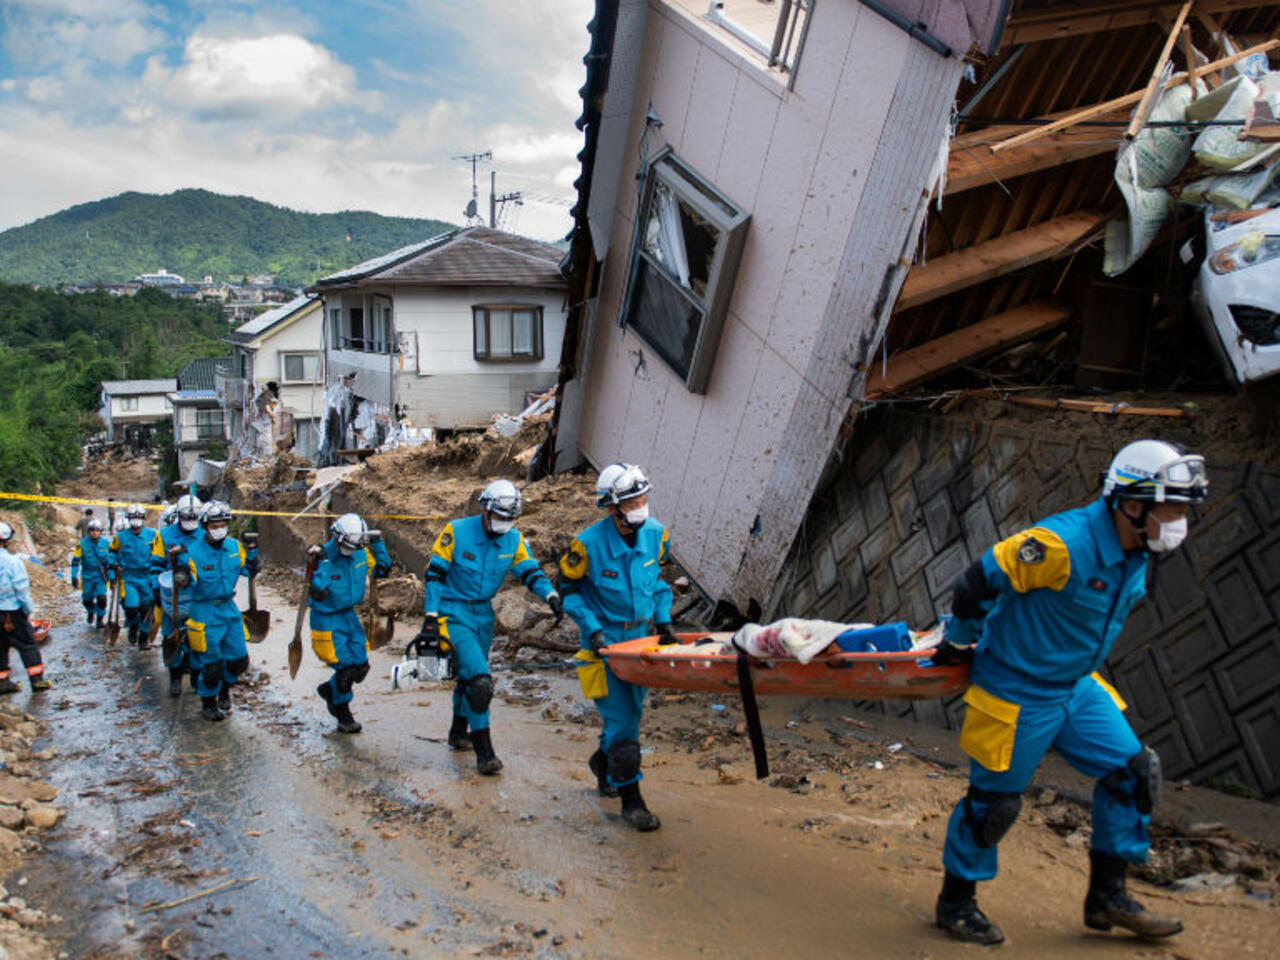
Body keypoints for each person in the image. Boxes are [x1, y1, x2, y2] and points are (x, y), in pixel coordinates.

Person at [931, 440, 1208, 945]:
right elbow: (975, 583)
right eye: (1172, 508)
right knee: (993, 805)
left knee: (1133, 773)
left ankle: (1107, 899)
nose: (1179, 521)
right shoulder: (1060, 545)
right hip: (1015, 688)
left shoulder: (1136, 549)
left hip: (1075, 687)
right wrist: (958, 640)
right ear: (1131, 504)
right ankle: (956, 903)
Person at [411, 479, 562, 774]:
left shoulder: (514, 539)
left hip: (483, 614)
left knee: (467, 678)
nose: (504, 523)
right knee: (481, 682)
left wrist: (551, 596)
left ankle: (458, 733)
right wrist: (430, 616)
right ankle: (485, 752)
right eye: (500, 516)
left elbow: (530, 571)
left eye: (510, 518)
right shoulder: (456, 532)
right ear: (485, 509)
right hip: (453, 612)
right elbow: (436, 575)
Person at [557, 463, 675, 831]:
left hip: (642, 641)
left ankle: (602, 763)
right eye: (633, 502)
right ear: (612, 507)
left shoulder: (657, 535)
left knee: (631, 714)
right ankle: (632, 803)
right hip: (602, 646)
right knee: (624, 724)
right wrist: (592, 630)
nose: (641, 506)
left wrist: (664, 621)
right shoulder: (587, 544)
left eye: (643, 498)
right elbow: (568, 591)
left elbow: (658, 583)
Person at [307, 513, 392, 734]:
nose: (351, 550)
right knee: (346, 670)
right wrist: (323, 561)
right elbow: (317, 590)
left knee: (360, 668)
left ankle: (329, 689)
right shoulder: (322, 557)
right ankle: (343, 713)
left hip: (349, 616)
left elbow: (382, 569)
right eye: (347, 546)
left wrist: (377, 544)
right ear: (337, 538)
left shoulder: (359, 553)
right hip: (326, 618)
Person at [177, 501, 258, 722]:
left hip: (229, 608)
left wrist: (253, 553)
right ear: (204, 526)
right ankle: (208, 702)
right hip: (204, 611)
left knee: (239, 660)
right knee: (211, 664)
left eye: (223, 525)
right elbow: (187, 578)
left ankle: (224, 687)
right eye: (215, 525)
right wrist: (182, 574)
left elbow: (248, 570)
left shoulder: (234, 547)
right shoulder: (191, 551)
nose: (219, 529)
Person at [151, 495, 203, 696]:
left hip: (196, 595)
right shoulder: (164, 535)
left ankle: (196, 674)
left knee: (196, 637)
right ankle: (175, 675)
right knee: (171, 635)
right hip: (171, 594)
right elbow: (155, 564)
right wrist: (155, 590)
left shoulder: (205, 535)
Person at [0, 521, 50, 692]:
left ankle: (2, 682)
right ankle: (36, 680)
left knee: (0, 646)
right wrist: (27, 609)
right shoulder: (12, 561)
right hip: (12, 611)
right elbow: (21, 589)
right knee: (27, 644)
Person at [109, 502, 159, 648]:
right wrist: (113, 564)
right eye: (133, 517)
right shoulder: (121, 537)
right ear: (129, 518)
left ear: (143, 518)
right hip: (129, 577)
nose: (136, 520)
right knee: (131, 607)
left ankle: (143, 637)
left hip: (147, 577)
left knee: (146, 609)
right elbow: (112, 552)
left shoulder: (152, 535)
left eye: (138, 517)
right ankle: (133, 625)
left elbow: (159, 553)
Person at [71, 518, 113, 627]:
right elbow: (75, 561)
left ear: (100, 532)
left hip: (101, 576)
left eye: (97, 530)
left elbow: (112, 559)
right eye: (92, 530)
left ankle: (100, 619)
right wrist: (74, 576)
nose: (94, 533)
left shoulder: (106, 544)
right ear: (89, 531)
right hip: (87, 576)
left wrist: (113, 573)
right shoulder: (82, 544)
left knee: (102, 599)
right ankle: (91, 611)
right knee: (87, 600)